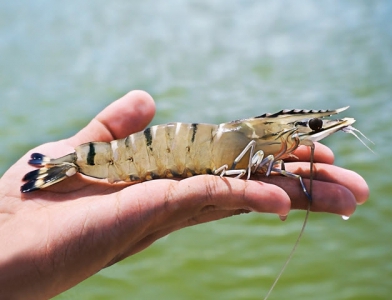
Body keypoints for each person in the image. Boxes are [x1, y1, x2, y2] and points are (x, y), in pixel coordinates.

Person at [0, 90, 369, 299]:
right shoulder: (254, 141)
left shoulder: (268, 136)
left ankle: (68, 164)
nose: (312, 133)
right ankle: (73, 163)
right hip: (142, 155)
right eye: (314, 128)